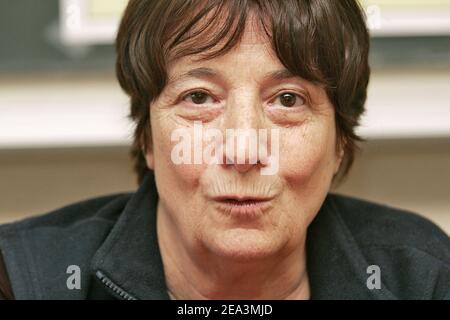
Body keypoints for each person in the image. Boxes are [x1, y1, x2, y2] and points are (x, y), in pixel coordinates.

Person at [0, 0, 449, 300]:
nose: (243, 148)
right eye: (198, 98)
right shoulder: (25, 281)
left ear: (340, 142)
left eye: (288, 100)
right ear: (146, 137)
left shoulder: (421, 279)